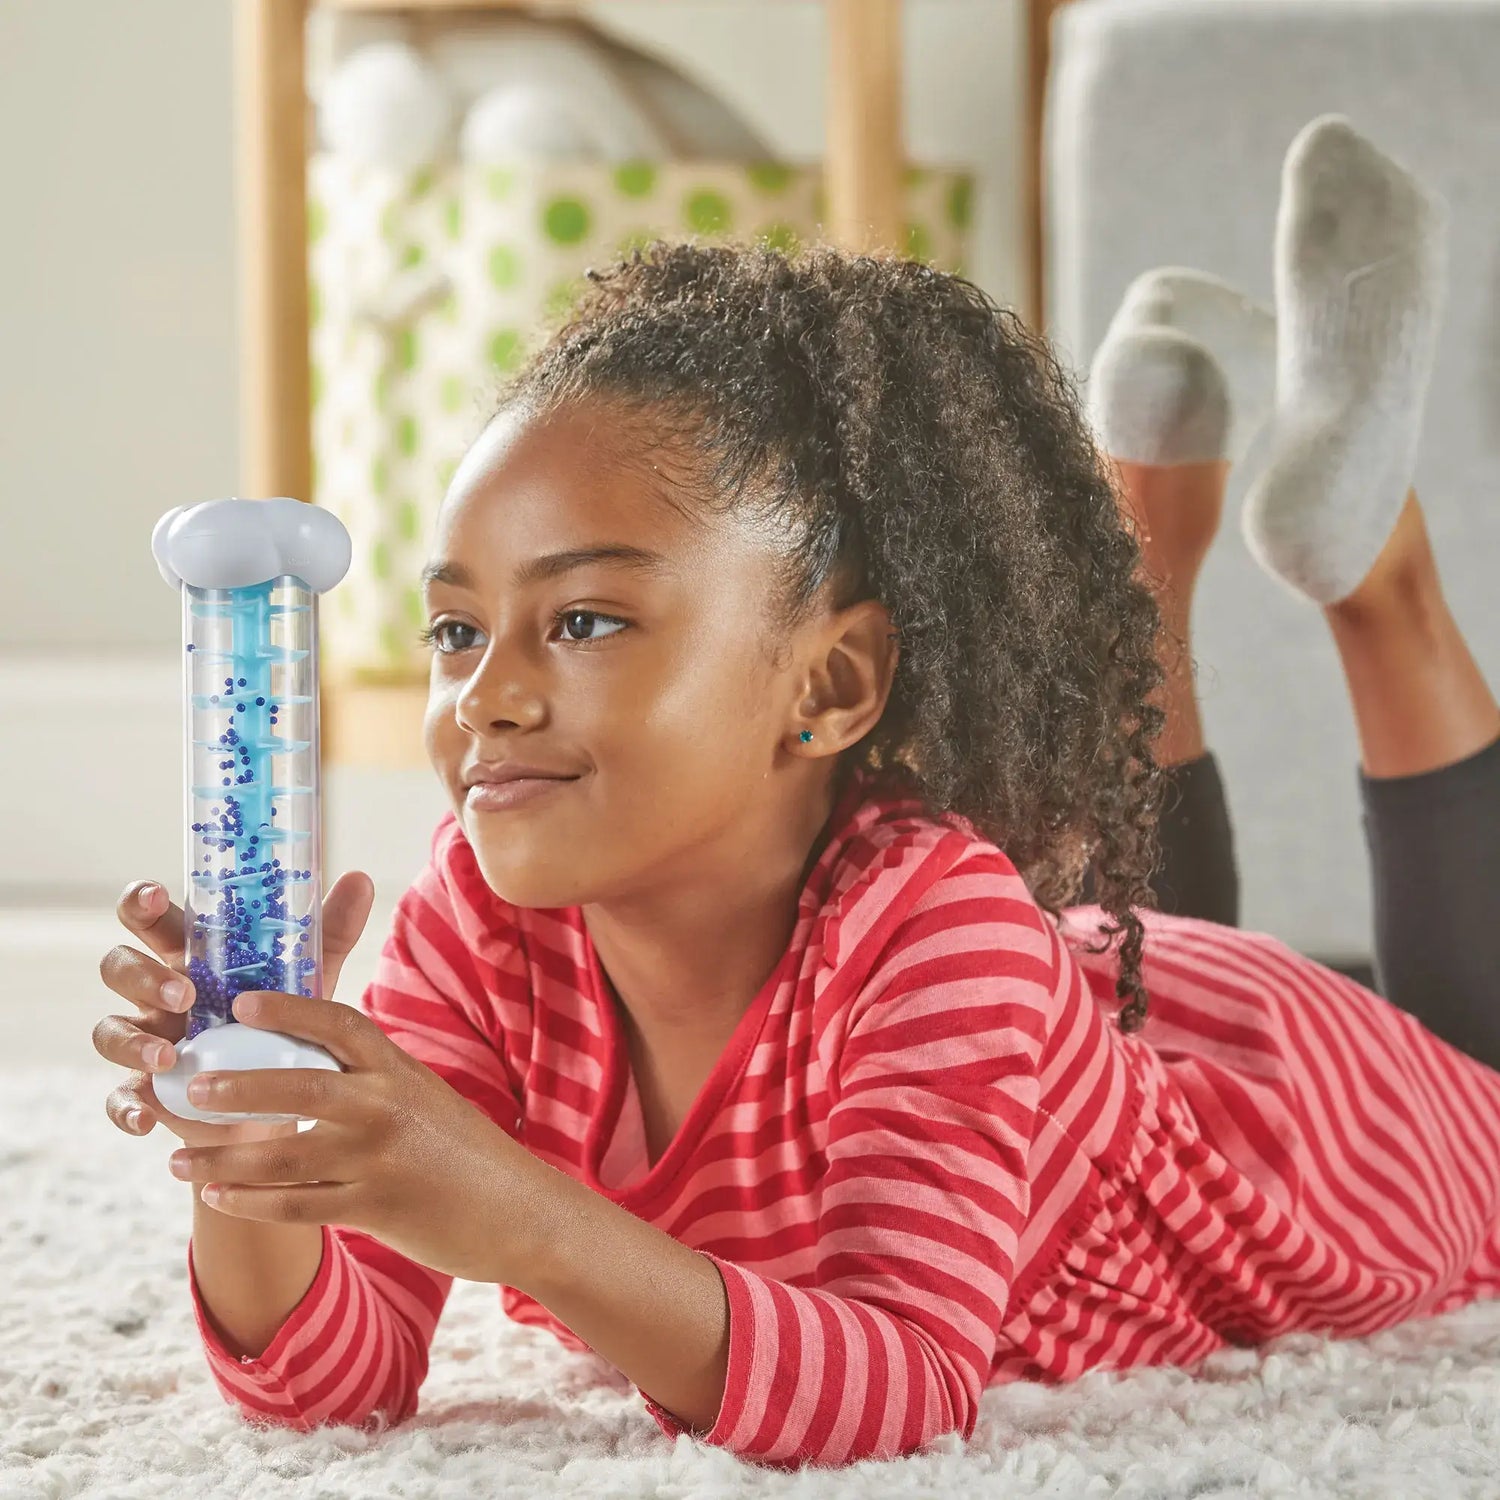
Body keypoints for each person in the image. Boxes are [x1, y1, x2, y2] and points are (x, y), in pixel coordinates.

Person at [93, 113, 1500, 1470]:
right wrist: (254, 1151)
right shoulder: (479, 923)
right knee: (1106, 886)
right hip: (1064, 1012)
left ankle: (1377, 580)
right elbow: (336, 1387)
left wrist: (511, 1209)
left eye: (582, 622)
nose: (486, 697)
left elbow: (901, 1384)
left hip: (1310, 1118)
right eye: (459, 630)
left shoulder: (940, 930)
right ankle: (1174, 493)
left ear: (828, 686)